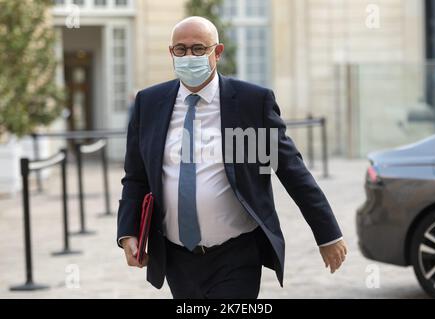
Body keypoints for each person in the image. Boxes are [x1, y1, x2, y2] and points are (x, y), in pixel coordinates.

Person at [117, 16, 347, 299]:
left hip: (236, 255)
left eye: (198, 49)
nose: (189, 56)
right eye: (181, 49)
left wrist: (328, 234)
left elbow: (291, 169)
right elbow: (136, 177)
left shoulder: (252, 102)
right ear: (171, 52)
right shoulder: (149, 103)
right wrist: (128, 233)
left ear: (218, 51)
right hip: (176, 257)